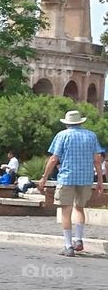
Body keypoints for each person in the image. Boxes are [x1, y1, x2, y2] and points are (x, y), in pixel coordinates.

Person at [38, 109, 105, 255]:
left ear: (67, 123)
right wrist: (100, 180)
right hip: (86, 178)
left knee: (66, 210)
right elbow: (97, 160)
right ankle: (79, 240)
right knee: (79, 208)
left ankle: (68, 246)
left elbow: (54, 159)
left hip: (67, 177)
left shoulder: (62, 135)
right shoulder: (91, 135)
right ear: (80, 122)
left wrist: (44, 177)